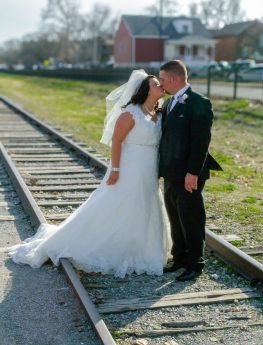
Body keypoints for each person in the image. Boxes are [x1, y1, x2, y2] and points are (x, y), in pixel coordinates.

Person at [8, 70, 171, 278]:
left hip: (148, 170)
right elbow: (117, 141)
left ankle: (143, 249)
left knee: (146, 205)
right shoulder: (131, 113)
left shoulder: (157, 114)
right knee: (120, 205)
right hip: (129, 168)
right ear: (145, 90)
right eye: (156, 83)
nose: (160, 85)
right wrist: (115, 170)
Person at [159, 60, 222, 282]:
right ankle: (179, 257)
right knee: (175, 216)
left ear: (175, 79)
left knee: (191, 217)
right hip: (170, 173)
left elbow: (201, 142)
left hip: (189, 174)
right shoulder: (168, 103)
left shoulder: (199, 103)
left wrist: (193, 172)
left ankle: (195, 263)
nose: (161, 83)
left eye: (163, 79)